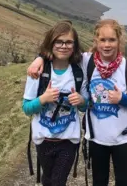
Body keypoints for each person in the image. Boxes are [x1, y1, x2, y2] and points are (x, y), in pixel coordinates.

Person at [27, 19, 127, 186]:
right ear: (95, 41)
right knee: (98, 181)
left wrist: (122, 99)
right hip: (96, 138)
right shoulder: (86, 61)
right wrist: (39, 58)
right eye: (102, 40)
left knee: (124, 181)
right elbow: (61, 52)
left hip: (123, 138)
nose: (107, 45)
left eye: (112, 40)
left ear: (119, 41)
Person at [22, 20, 88, 186]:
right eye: (58, 41)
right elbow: (27, 108)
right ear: (51, 43)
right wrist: (43, 99)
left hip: (68, 140)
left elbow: (86, 105)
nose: (63, 46)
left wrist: (81, 100)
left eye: (68, 42)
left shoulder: (79, 72)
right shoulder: (38, 72)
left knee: (58, 181)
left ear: (75, 45)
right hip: (44, 140)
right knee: (48, 178)